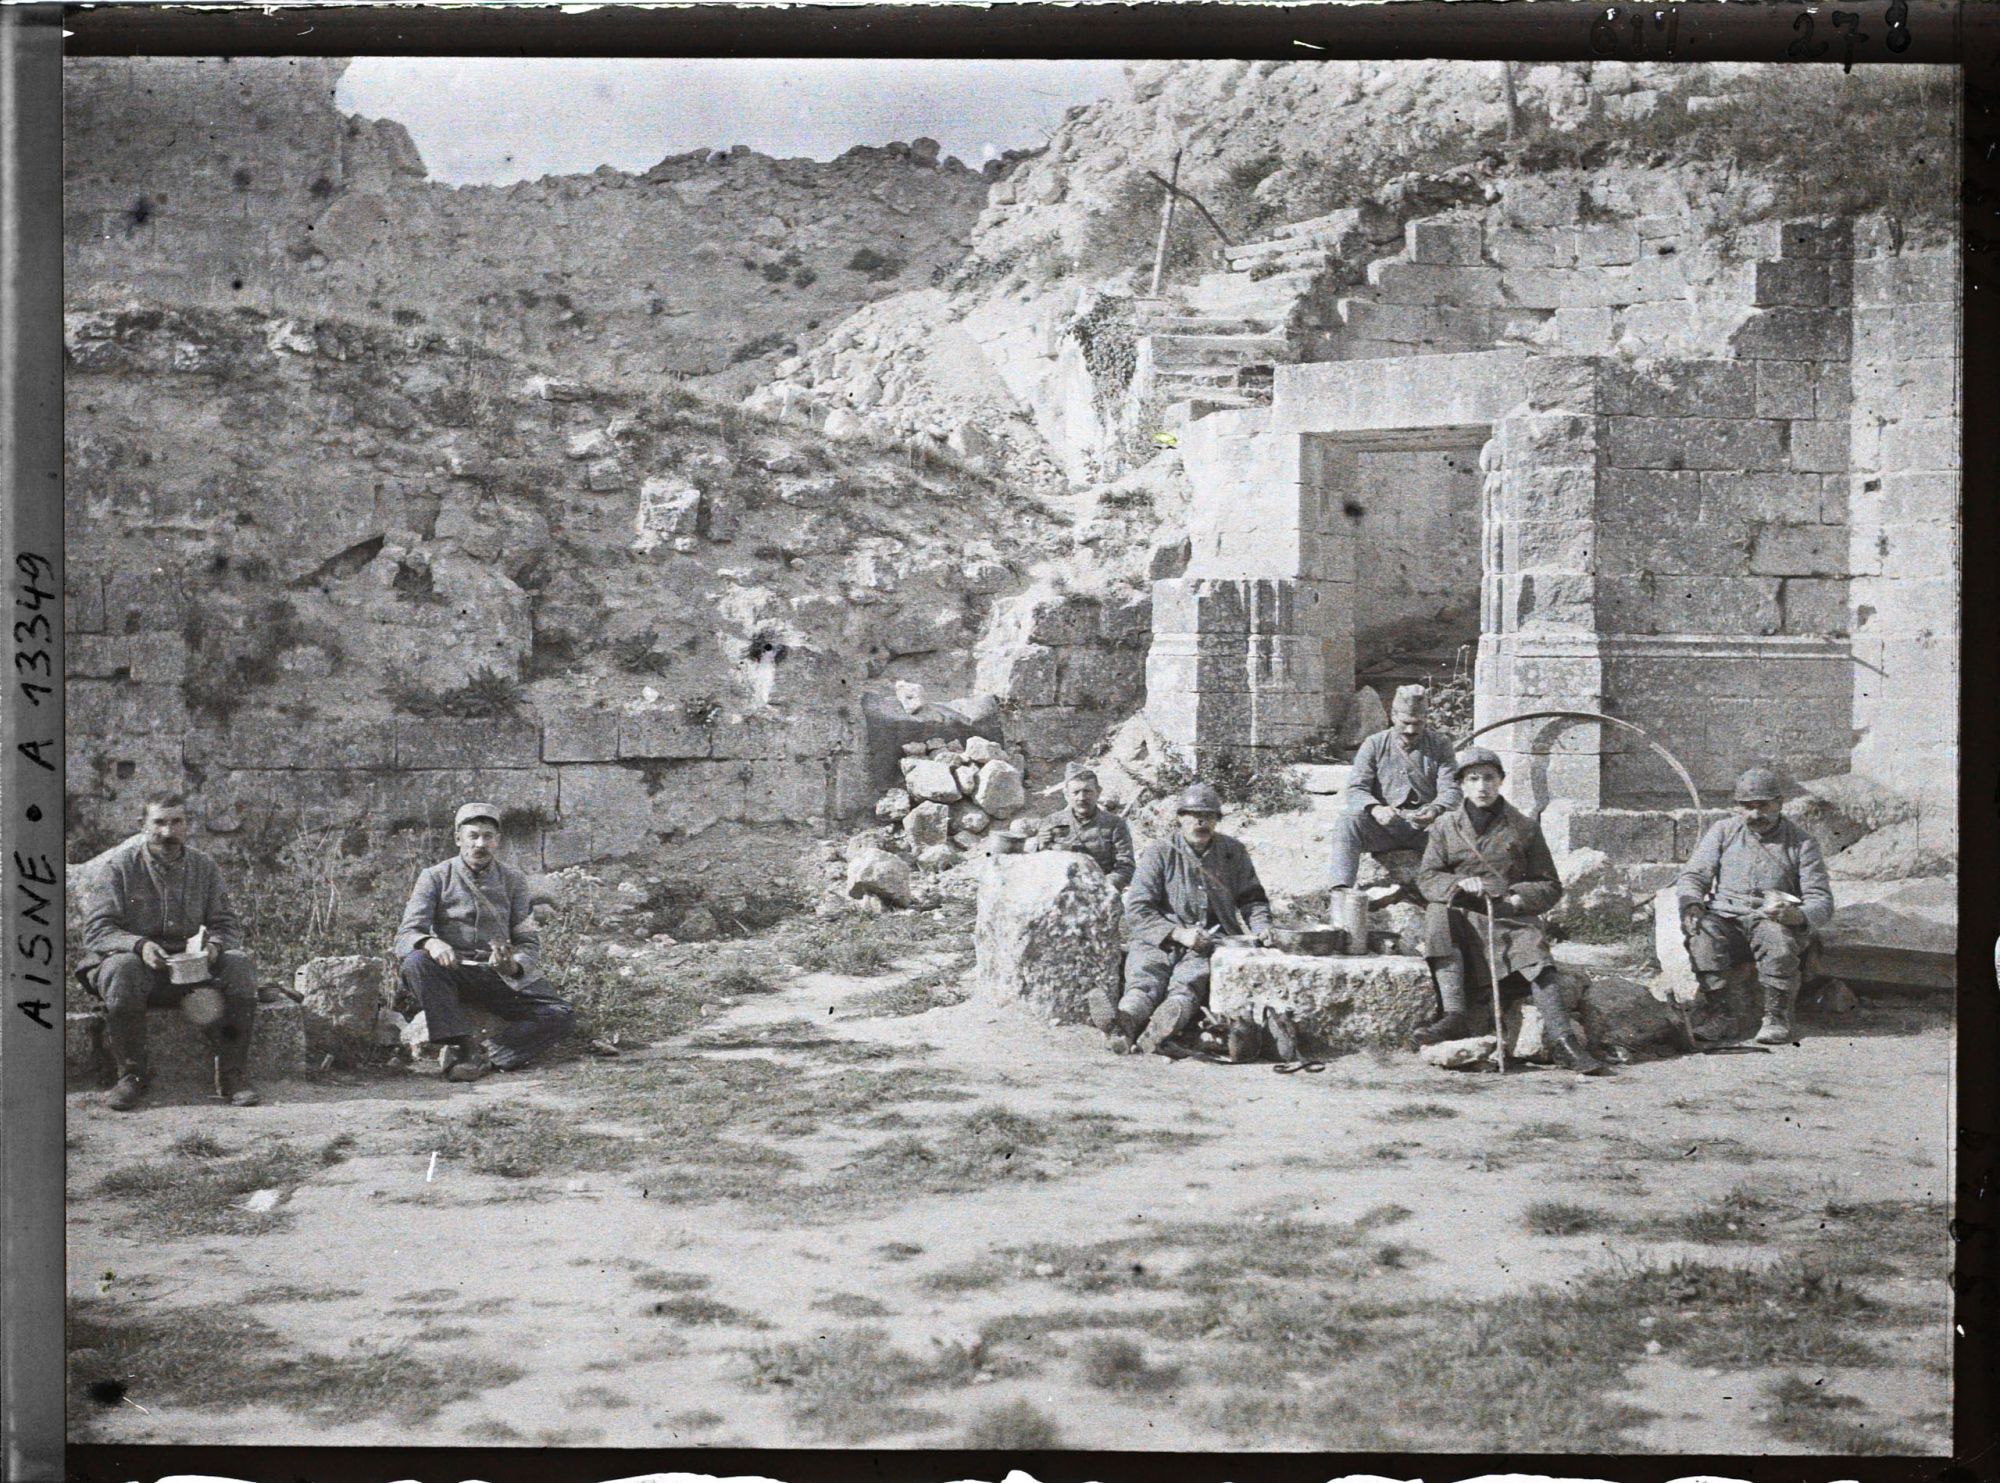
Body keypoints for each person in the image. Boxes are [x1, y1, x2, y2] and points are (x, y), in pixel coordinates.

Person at [1415, 748, 1607, 1076]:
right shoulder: (1445, 827)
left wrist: (1518, 898)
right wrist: (1461, 883)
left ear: (1501, 780)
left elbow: (1549, 885)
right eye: (1473, 779)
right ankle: (1455, 1015)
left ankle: (1564, 1039)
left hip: (1507, 915)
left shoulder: (1523, 827)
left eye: (1489, 778)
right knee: (1436, 916)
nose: (1482, 787)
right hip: (1463, 913)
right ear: (1461, 784)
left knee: (1535, 951)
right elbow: (1428, 877)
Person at [79, 793, 262, 1111]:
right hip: (140, 971)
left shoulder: (203, 867)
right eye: (159, 822)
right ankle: (131, 1076)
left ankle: (232, 1076)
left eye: (176, 822)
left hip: (193, 972)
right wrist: (139, 945)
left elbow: (226, 924)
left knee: (239, 965)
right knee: (121, 968)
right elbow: (97, 930)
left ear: (186, 825)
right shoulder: (119, 869)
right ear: (142, 825)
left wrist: (215, 946)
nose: (168, 831)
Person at [395, 802, 576, 1081]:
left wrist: (513, 966)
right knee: (416, 962)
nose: (480, 844)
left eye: (488, 836)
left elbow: (528, 941)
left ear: (497, 841)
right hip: (454, 971)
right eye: (473, 836)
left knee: (561, 1014)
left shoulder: (514, 881)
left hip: (497, 977)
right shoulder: (434, 877)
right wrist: (431, 943)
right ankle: (463, 1045)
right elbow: (406, 935)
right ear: (458, 839)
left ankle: (487, 1054)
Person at [1099, 782, 1273, 1058]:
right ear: (1180, 818)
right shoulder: (1160, 852)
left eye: (1209, 815)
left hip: (1209, 944)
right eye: (1193, 814)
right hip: (1159, 938)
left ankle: (1158, 1031)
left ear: (1217, 820)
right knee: (1145, 977)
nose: (1201, 821)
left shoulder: (1233, 852)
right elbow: (1138, 908)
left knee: (1189, 983)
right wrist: (1177, 934)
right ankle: (1124, 1025)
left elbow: (1252, 898)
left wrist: (1262, 928)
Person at [1674, 766, 1834, 1046]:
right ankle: (1721, 1015)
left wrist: (1798, 916)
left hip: (1769, 920)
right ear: (1738, 807)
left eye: (1763, 806)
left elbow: (1822, 900)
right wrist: (1692, 904)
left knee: (1779, 942)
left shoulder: (1802, 844)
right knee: (1702, 936)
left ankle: (1776, 1017)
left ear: (1780, 804)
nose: (1755, 815)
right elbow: (1694, 875)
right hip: (1727, 917)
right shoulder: (1723, 831)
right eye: (1747, 807)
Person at [1330, 685, 1462, 889]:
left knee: (1454, 824)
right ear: (1393, 716)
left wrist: (1435, 810)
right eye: (1405, 723)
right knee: (1348, 821)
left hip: (1426, 830)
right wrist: (1376, 809)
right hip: (1383, 827)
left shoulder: (1440, 744)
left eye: (1418, 723)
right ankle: (1340, 890)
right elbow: (1356, 788)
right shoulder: (1374, 744)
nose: (1411, 730)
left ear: (1426, 718)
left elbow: (1452, 789)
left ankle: (1460, 894)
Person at [1030, 764, 1136, 892]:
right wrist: (1041, 847)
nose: (1081, 798)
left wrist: (1103, 885)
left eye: (1087, 791)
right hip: (1061, 890)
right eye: (1076, 792)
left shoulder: (1115, 824)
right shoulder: (1052, 822)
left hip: (1102, 891)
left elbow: (1125, 866)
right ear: (1066, 795)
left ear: (1098, 792)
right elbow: (1037, 867)